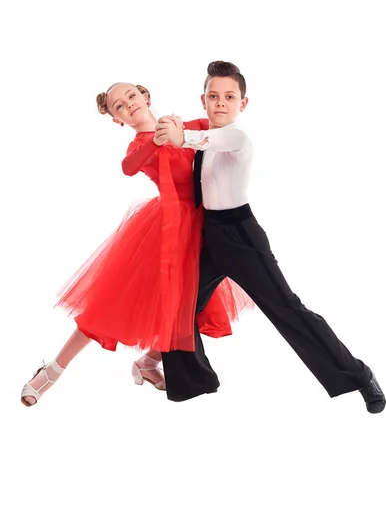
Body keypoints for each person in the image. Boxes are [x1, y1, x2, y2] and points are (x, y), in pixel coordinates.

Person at [156, 61, 386, 413]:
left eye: (229, 97)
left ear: (242, 104)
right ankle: (192, 381)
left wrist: (180, 134)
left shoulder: (235, 137)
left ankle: (359, 375)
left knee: (287, 309)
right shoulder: (205, 139)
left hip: (241, 236)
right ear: (203, 100)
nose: (220, 103)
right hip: (210, 236)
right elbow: (191, 142)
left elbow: (207, 138)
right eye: (213, 96)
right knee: (178, 304)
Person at [20, 82, 252, 406]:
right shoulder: (138, 146)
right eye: (118, 106)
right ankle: (52, 371)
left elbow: (217, 128)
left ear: (145, 96)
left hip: (200, 227)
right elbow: (128, 167)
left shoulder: (178, 126)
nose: (128, 104)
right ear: (118, 119)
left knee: (188, 305)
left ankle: (148, 362)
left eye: (131, 96)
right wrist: (154, 144)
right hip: (164, 231)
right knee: (111, 308)